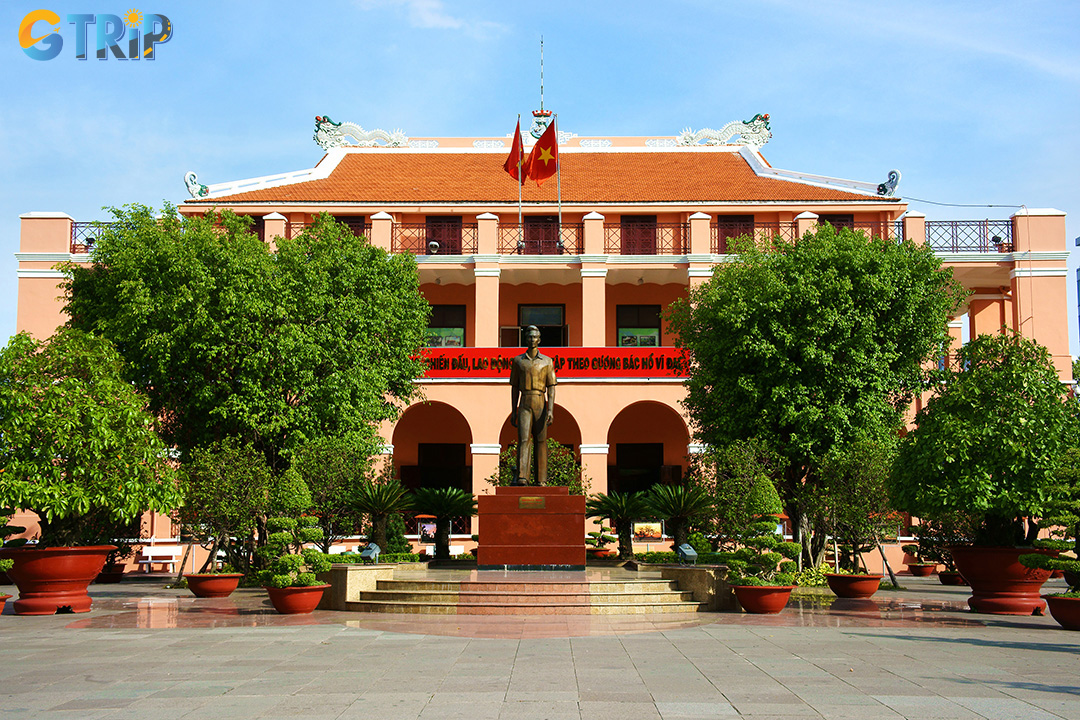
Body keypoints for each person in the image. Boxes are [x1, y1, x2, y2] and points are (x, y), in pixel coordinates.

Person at [509, 325, 557, 486]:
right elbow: (514, 387)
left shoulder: (547, 361)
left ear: (539, 340)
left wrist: (550, 409)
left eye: (534, 337)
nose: (532, 339)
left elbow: (551, 387)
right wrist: (513, 410)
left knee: (541, 440)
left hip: (540, 400)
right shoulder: (518, 361)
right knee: (523, 439)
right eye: (529, 336)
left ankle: (541, 479)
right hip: (524, 401)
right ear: (526, 339)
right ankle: (523, 477)